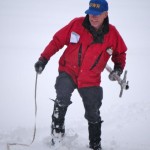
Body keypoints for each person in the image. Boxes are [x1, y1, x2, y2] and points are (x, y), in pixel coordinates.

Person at [34, 0, 127, 149]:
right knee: (62, 96)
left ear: (105, 14)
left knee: (93, 111)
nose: (93, 17)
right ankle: (57, 136)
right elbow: (57, 41)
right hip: (68, 70)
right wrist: (43, 59)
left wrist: (118, 68)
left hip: (90, 78)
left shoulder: (112, 34)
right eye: (90, 13)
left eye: (97, 14)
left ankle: (95, 144)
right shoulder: (76, 24)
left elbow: (120, 53)